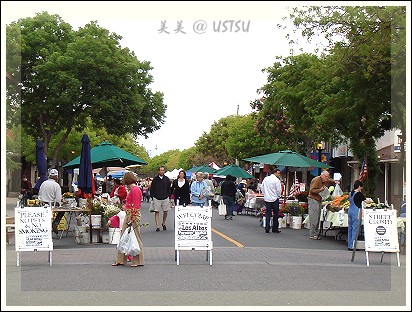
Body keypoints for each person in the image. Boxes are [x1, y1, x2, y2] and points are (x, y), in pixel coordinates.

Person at [112, 172, 144, 267]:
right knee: (125, 237)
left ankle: (136, 260)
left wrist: (132, 218)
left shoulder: (134, 190)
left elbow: (136, 205)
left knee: (135, 237)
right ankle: (121, 259)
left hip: (132, 215)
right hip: (131, 214)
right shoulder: (134, 189)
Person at [307, 170, 336, 240]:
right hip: (313, 199)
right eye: (326, 176)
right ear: (322, 175)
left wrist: (335, 182)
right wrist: (320, 190)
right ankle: (313, 234)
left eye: (328, 176)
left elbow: (329, 181)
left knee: (317, 217)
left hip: (319, 199)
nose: (327, 178)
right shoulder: (316, 180)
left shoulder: (324, 180)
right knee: (314, 217)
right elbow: (312, 190)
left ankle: (315, 233)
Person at [347, 180, 371, 251]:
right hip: (356, 212)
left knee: (350, 229)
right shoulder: (359, 194)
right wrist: (371, 201)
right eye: (361, 187)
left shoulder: (351, 193)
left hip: (350, 211)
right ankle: (353, 245)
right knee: (355, 229)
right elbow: (366, 201)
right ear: (359, 186)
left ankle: (349, 245)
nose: (361, 189)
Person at [38, 169, 62, 235]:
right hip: (51, 206)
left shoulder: (43, 183)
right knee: (62, 211)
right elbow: (58, 199)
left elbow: (39, 195)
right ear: (56, 176)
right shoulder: (56, 185)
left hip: (42, 205)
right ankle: (55, 222)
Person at [261, 167, 282, 233]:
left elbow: (262, 187)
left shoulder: (266, 179)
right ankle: (275, 228)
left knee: (268, 213)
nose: (279, 175)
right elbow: (279, 190)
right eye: (278, 173)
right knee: (276, 214)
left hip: (267, 199)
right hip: (275, 198)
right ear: (275, 173)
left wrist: (265, 194)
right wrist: (278, 196)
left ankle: (267, 228)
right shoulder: (276, 180)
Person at [150, 166, 171, 231]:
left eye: (163, 170)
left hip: (165, 197)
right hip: (157, 197)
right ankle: (157, 226)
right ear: (158, 171)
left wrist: (168, 195)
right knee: (157, 211)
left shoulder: (167, 179)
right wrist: (153, 196)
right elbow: (152, 188)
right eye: (161, 170)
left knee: (165, 211)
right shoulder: (155, 179)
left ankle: (163, 223)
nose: (162, 171)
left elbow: (169, 187)